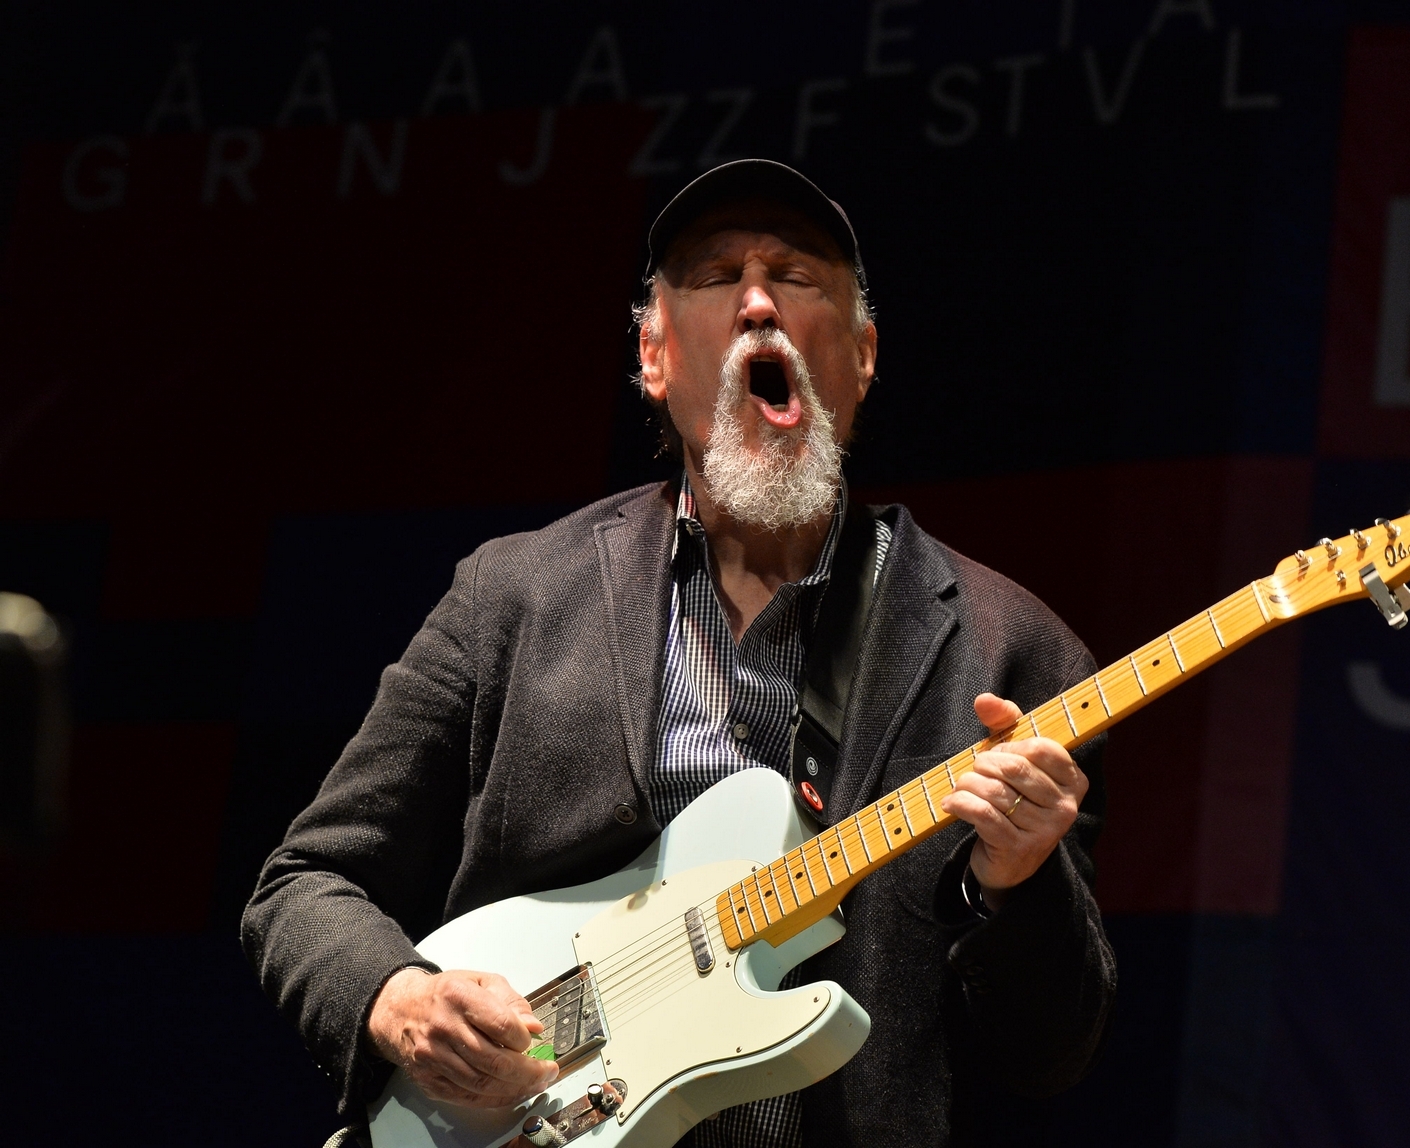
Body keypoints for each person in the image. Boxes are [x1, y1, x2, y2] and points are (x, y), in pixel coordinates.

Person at [244, 159, 1116, 1148]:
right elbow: (305, 882)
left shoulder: (1012, 646)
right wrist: (398, 999)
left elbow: (1050, 1053)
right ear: (654, 355)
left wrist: (1018, 878)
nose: (755, 302)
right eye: (713, 276)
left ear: (864, 354)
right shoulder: (512, 592)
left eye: (795, 274)